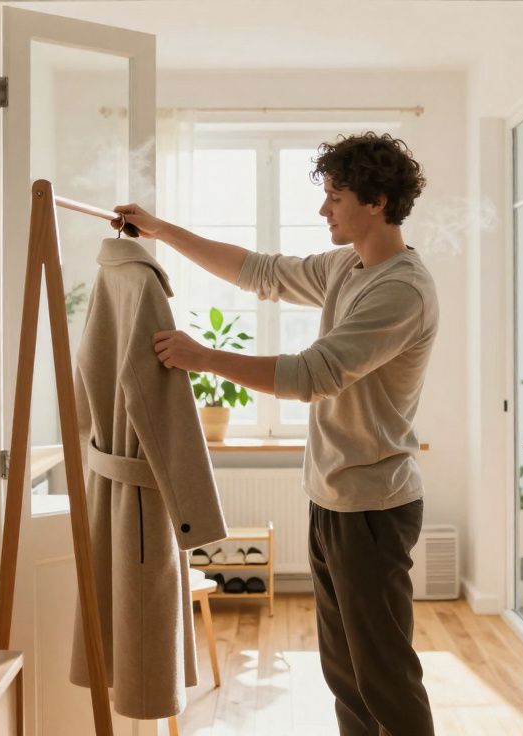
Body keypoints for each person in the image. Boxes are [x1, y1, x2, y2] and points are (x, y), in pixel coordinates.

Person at [112, 131, 438, 736]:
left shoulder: (400, 290)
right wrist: (162, 231)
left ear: (376, 202)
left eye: (335, 197)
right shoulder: (348, 266)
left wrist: (204, 358)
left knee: (384, 676)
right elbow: (258, 271)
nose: (323, 210)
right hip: (331, 497)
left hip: (373, 507)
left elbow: (314, 374)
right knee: (346, 676)